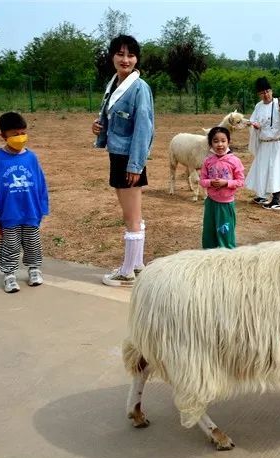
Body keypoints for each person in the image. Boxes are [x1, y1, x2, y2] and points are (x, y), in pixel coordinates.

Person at [91, 34, 154, 287]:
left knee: (131, 216)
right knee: (132, 214)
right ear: (112, 56)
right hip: (117, 154)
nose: (125, 59)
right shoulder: (114, 83)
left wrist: (135, 165)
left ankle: (127, 271)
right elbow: (112, 117)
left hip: (129, 158)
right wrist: (98, 128)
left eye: (130, 55)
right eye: (120, 54)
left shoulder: (140, 88)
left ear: (137, 58)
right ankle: (137, 265)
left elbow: (144, 128)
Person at [0, 112, 49, 293]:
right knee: (9, 244)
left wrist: (42, 209)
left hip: (30, 211)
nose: (20, 138)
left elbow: (41, 184)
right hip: (8, 213)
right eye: (15, 134)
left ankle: (34, 269)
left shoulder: (31, 157)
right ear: (3, 136)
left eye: (23, 133)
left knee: (32, 242)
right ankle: (9, 274)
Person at [245, 76, 280, 211]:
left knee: (276, 170)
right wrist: (254, 126)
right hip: (264, 143)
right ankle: (262, 195)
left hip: (276, 143)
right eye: (262, 92)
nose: (266, 95)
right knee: (262, 169)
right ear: (259, 94)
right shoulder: (258, 106)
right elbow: (254, 121)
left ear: (271, 91)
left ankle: (277, 200)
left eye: (267, 91)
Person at [199, 127, 245, 249]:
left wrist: (226, 183)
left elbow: (240, 181)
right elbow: (202, 181)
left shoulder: (234, 161)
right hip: (211, 203)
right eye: (215, 141)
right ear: (210, 144)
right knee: (209, 232)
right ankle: (208, 255)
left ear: (228, 142)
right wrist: (210, 182)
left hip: (226, 205)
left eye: (223, 141)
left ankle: (227, 257)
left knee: (225, 232)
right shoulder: (208, 161)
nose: (220, 144)